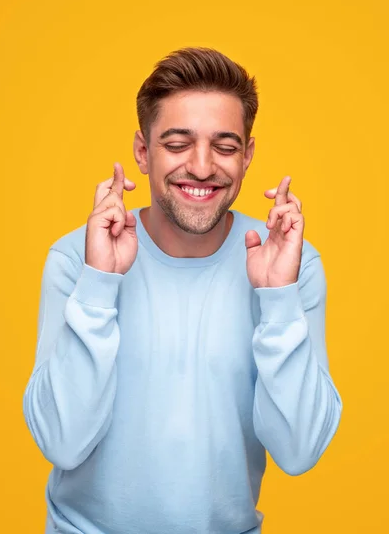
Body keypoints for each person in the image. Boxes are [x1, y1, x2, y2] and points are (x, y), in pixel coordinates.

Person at [23, 47, 342, 534]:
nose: (201, 166)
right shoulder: (76, 260)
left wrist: (278, 298)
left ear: (248, 156)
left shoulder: (291, 263)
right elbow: (61, 442)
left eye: (225, 146)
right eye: (177, 143)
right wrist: (99, 284)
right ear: (142, 152)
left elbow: (299, 452)